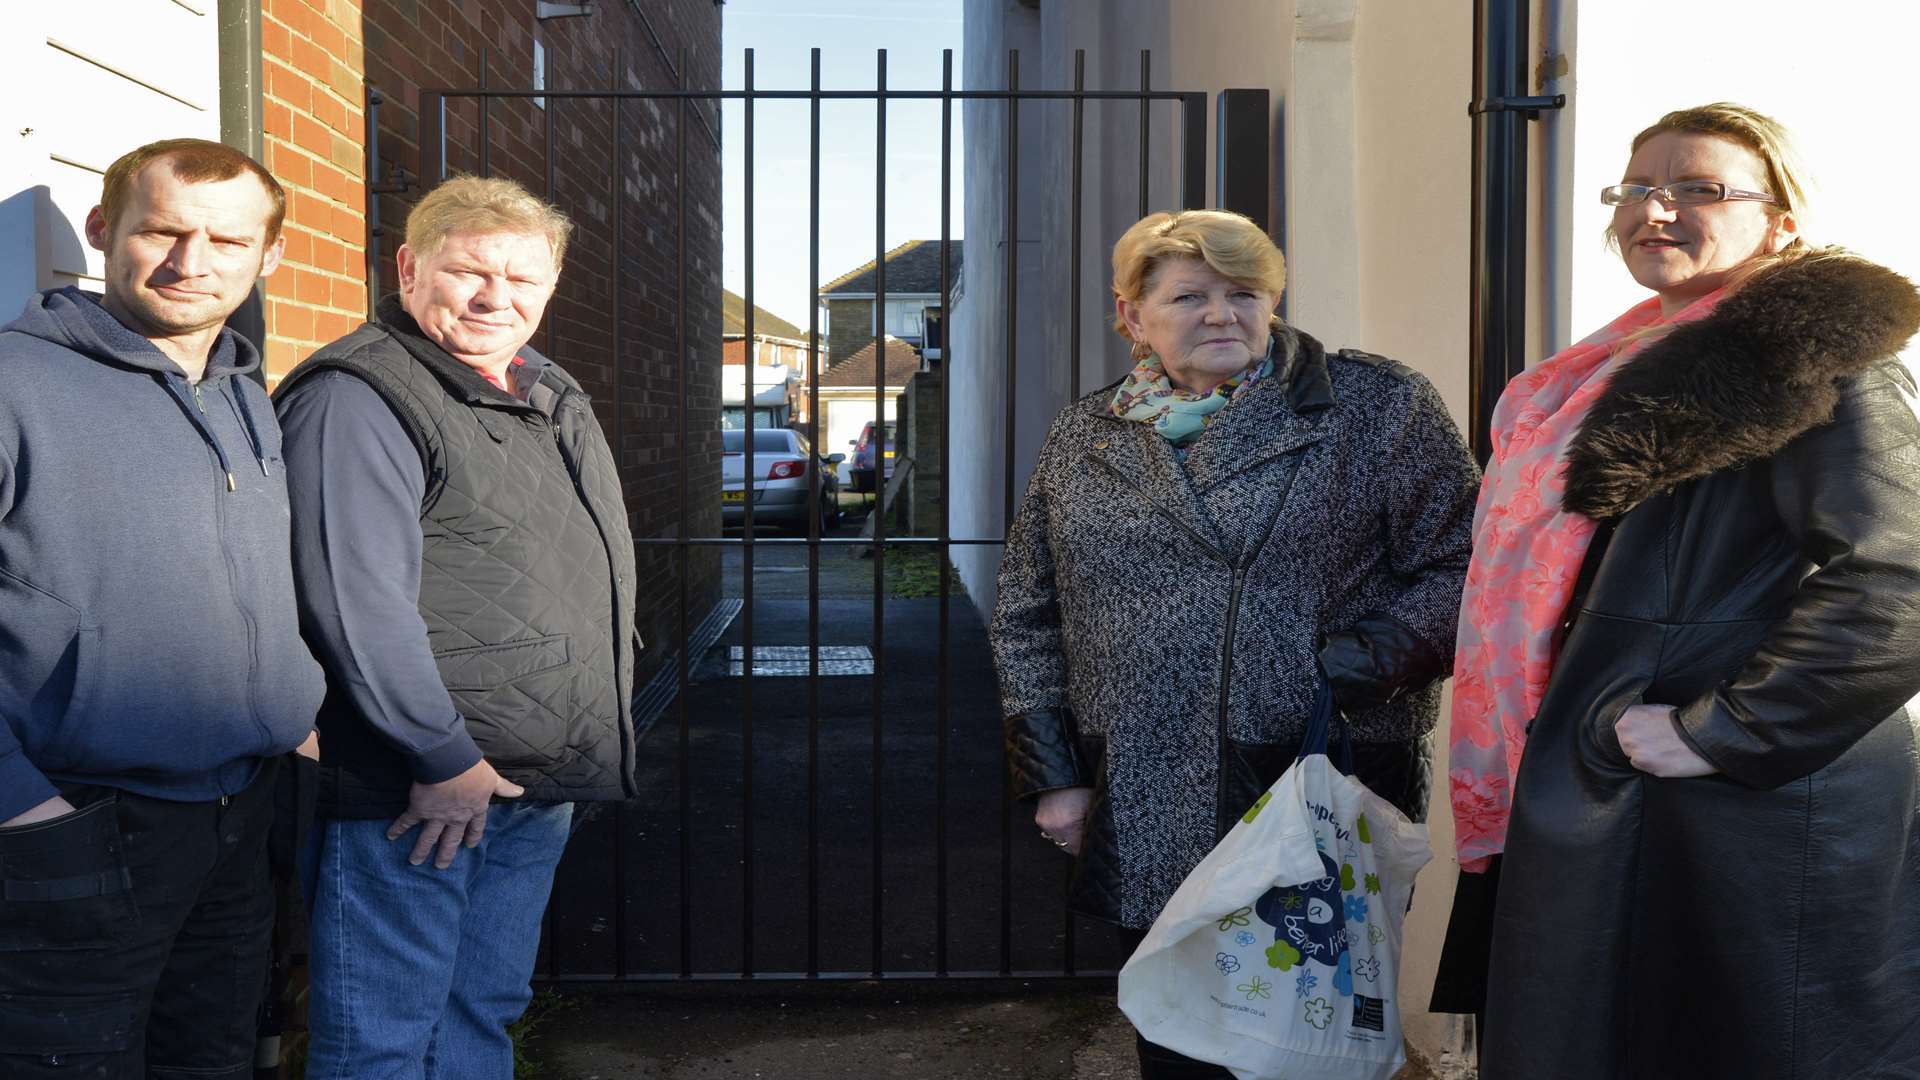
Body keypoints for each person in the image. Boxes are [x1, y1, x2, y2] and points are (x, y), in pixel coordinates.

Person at [1441, 103, 1920, 1078]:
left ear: (1780, 221)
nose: (1655, 208)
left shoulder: (1815, 360)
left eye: (1698, 187)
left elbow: (1899, 574)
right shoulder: (1590, 375)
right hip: (1622, 785)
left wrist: (1724, 730)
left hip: (1743, 807)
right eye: (1636, 187)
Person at [991, 208, 1479, 1078]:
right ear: (1131, 316)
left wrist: (1366, 659)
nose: (1222, 314)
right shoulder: (1086, 433)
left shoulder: (1375, 406)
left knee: (1309, 1031)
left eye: (1243, 293)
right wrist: (1055, 774)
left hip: (1313, 770)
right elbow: (1029, 605)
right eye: (1190, 296)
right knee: (1177, 1027)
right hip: (1144, 779)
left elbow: (1466, 561)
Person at [276, 175, 640, 1078]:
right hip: (420, 792)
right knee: (384, 1036)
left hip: (526, 779)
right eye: (470, 271)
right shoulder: (360, 397)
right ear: (408, 268)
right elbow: (354, 603)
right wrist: (440, 758)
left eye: (524, 279)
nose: (496, 297)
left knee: (479, 1011)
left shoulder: (541, 388)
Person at [0, 138, 325, 1078]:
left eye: (226, 241)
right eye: (164, 231)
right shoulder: (17, 383)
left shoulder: (242, 393)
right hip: (77, 825)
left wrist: (291, 709)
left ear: (268, 258)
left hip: (238, 817)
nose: (192, 263)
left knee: (214, 1060)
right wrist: (21, 806)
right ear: (103, 230)